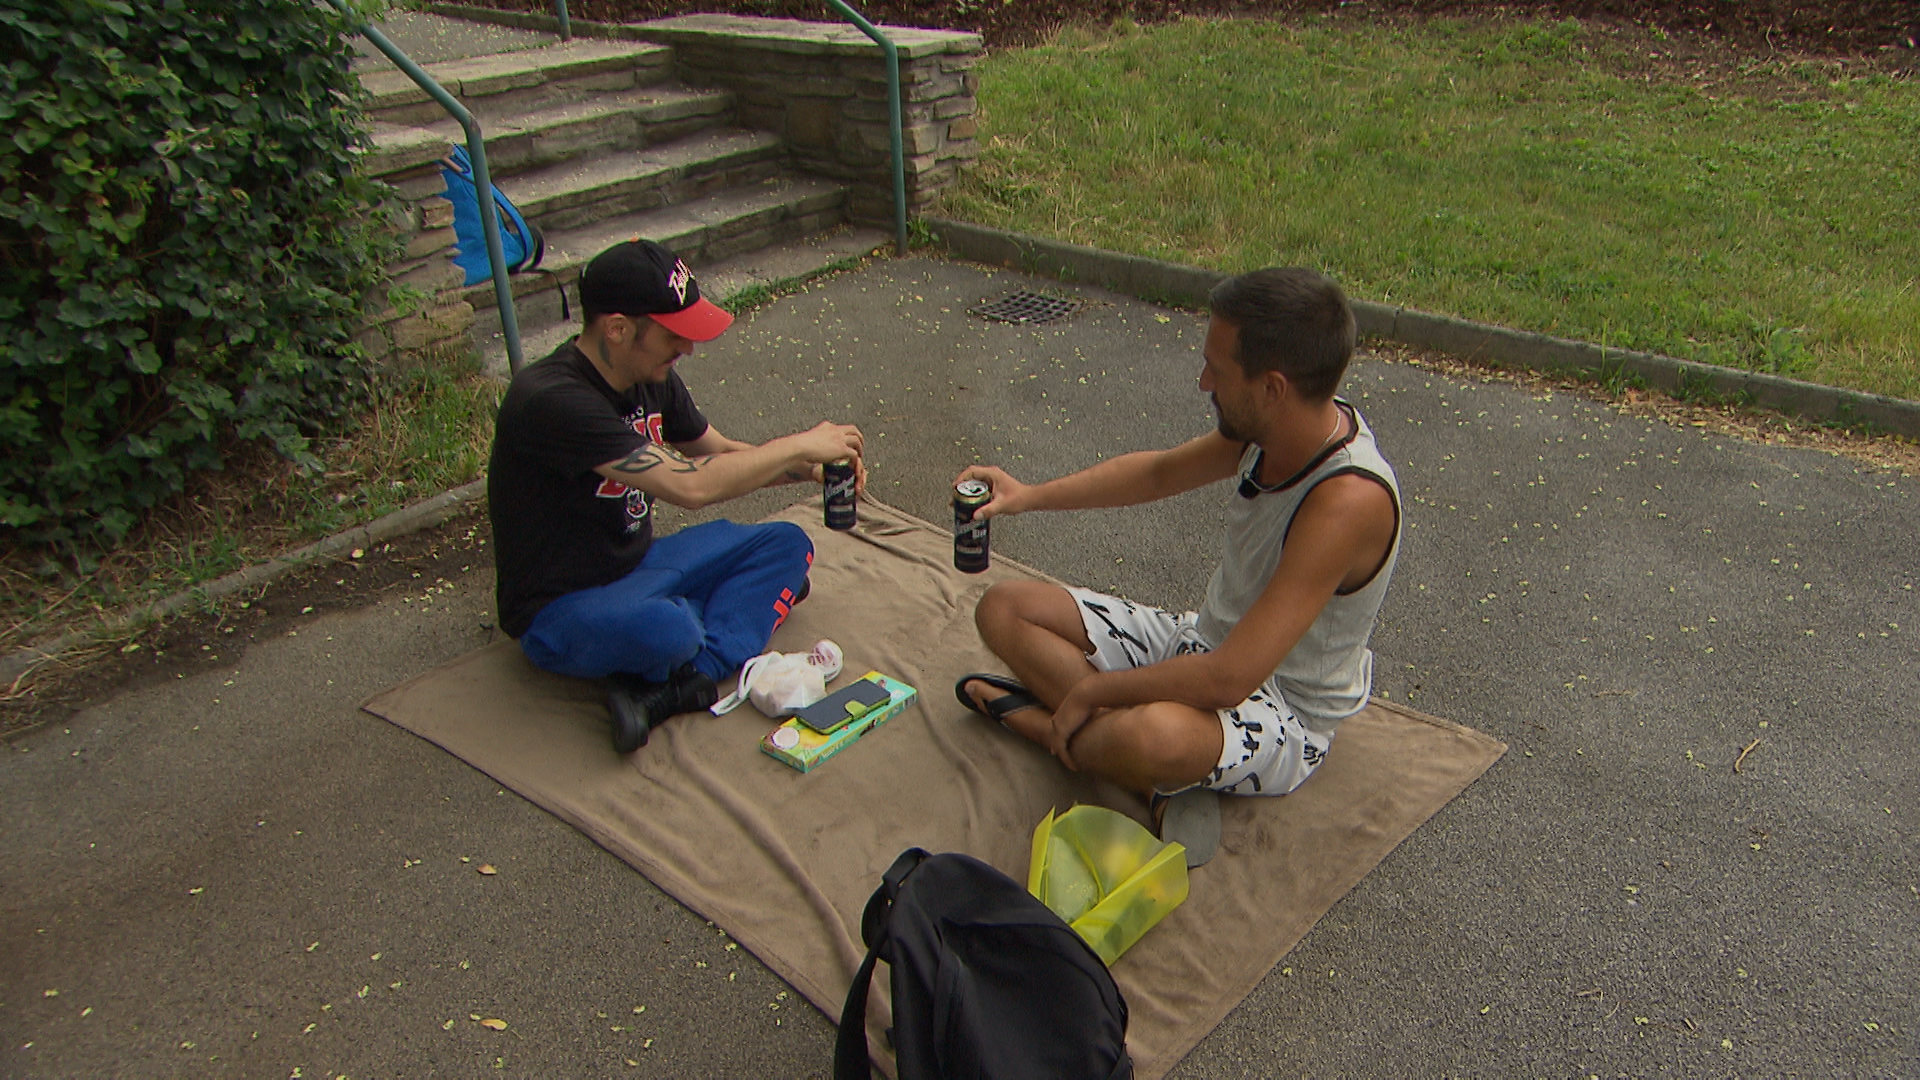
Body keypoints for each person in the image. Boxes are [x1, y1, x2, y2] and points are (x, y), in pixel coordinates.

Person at [953, 268, 1400, 866]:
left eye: (1218, 368)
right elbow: (1158, 473)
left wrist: (1095, 692)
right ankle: (1133, 773)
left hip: (1283, 709)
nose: (1203, 381)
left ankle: (1044, 726)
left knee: (1153, 735)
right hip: (1201, 644)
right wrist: (1026, 494)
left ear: (1272, 387)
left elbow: (1229, 681)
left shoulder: (1347, 501)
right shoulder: (1277, 429)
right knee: (1004, 608)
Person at [488, 239, 865, 754]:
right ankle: (703, 643)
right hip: (560, 606)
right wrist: (796, 442)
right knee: (671, 629)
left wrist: (806, 468)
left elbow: (719, 453)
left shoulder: (649, 375)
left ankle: (678, 684)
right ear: (618, 328)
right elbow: (692, 485)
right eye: (674, 334)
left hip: (643, 567)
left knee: (787, 544)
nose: (687, 348)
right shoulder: (551, 401)